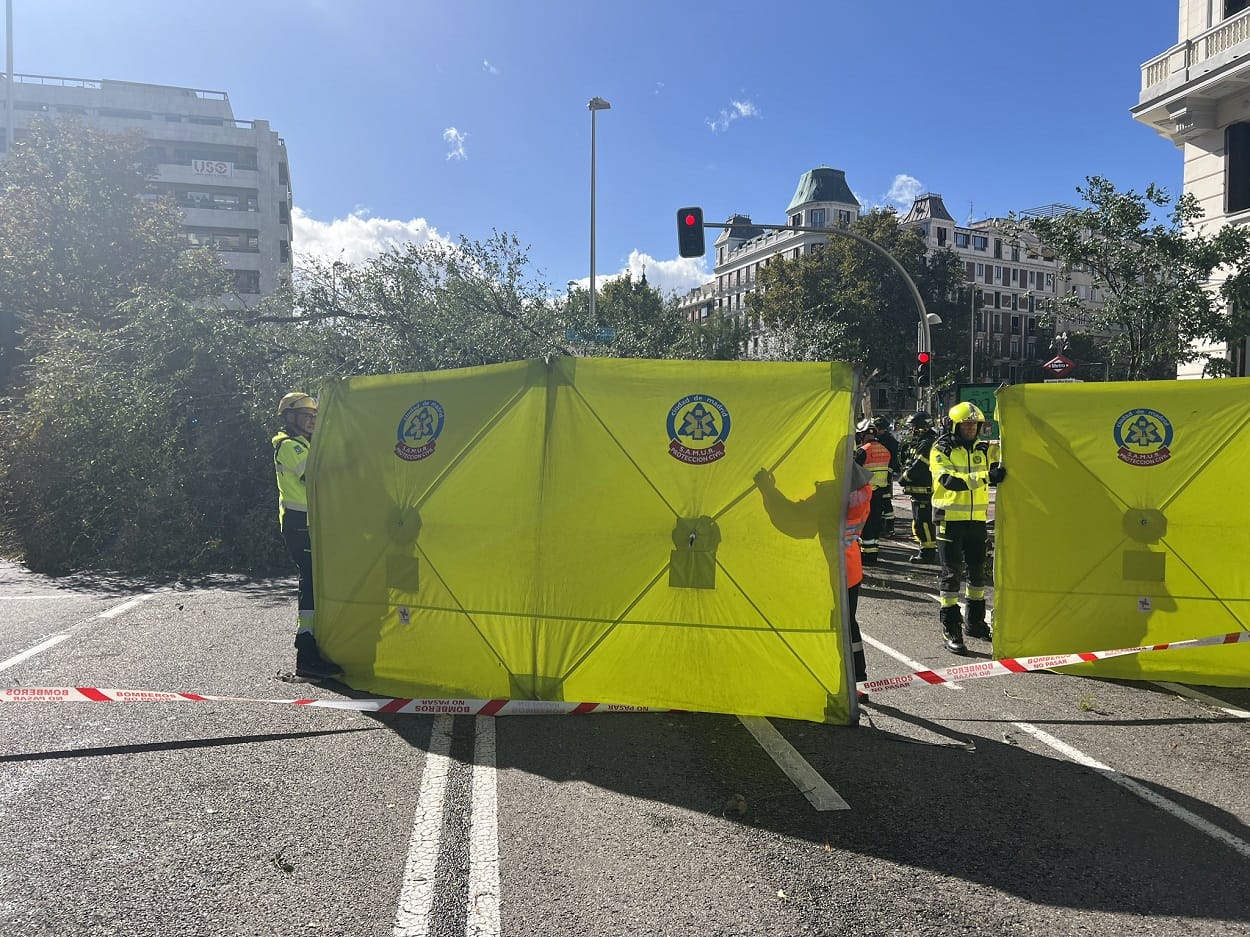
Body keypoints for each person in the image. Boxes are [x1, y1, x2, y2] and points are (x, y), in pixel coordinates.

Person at [754, 459, 874, 701]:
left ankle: (840, 683)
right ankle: (855, 682)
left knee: (838, 625)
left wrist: (768, 490)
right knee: (849, 624)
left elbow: (795, 520)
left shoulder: (830, 495)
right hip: (852, 565)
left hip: (831, 568)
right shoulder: (865, 490)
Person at [273, 391, 343, 679]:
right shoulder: (291, 446)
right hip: (300, 523)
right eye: (306, 415)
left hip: (312, 521)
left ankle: (315, 647)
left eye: (315, 415)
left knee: (319, 582)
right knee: (312, 583)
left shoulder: (305, 443)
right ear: (290, 418)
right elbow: (319, 478)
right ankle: (306, 652)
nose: (312, 420)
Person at [930, 401, 1006, 654]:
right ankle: (951, 627)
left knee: (977, 574)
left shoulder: (985, 450)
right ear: (954, 426)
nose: (971, 428)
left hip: (976, 520)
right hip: (949, 520)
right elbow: (949, 481)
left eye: (975, 424)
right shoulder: (941, 449)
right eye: (966, 424)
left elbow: (1006, 458)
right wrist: (986, 477)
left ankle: (975, 623)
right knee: (951, 575)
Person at [898, 412, 939, 564]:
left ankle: (927, 553)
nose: (912, 430)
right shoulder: (922, 442)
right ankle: (925, 549)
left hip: (923, 491)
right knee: (920, 522)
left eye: (914, 427)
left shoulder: (927, 443)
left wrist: (905, 478)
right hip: (918, 491)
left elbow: (920, 466)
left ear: (923, 427)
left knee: (924, 522)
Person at [853, 419, 892, 566]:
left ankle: (867, 555)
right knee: (875, 522)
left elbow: (855, 471)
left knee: (866, 523)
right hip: (880, 492)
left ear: (863, 435)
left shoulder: (863, 451)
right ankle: (873, 551)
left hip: (866, 493)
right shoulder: (884, 449)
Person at [871, 416, 901, 535]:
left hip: (885, 475)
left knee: (885, 500)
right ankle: (883, 525)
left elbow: (893, 459)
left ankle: (889, 526)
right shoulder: (882, 440)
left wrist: (888, 471)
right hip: (880, 475)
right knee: (882, 500)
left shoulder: (889, 441)